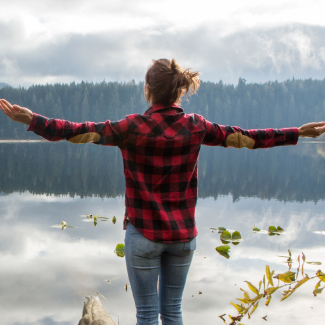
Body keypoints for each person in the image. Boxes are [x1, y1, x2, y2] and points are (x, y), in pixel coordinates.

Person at [1, 59, 325, 325]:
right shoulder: (196, 125)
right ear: (179, 92)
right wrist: (295, 133)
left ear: (148, 90)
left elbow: (80, 132)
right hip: (183, 237)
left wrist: (33, 120)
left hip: (143, 236)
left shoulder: (131, 127)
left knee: (146, 315)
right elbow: (245, 137)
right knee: (173, 312)